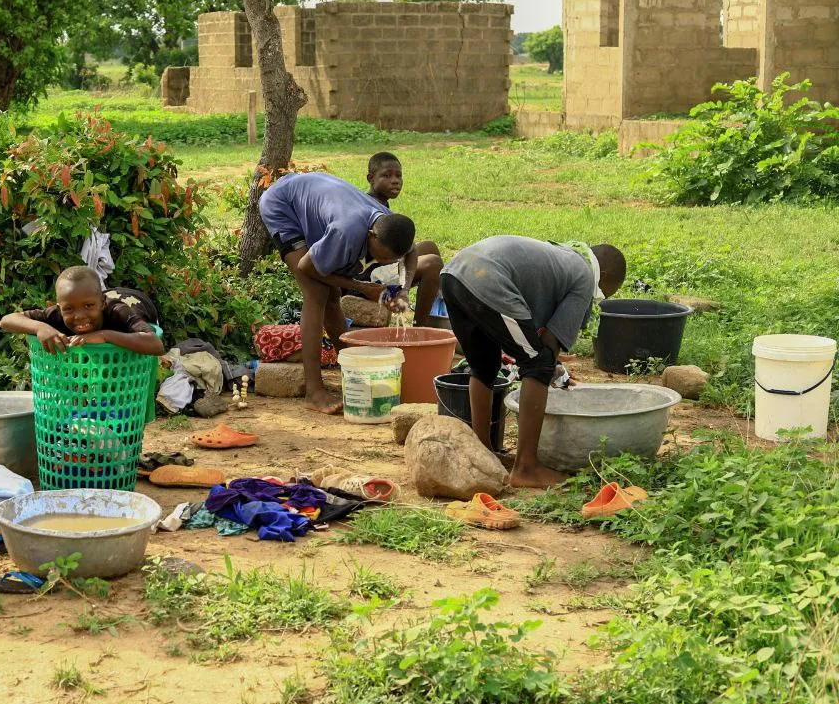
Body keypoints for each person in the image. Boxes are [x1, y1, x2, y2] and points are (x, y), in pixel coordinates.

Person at [440, 235, 627, 488]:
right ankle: (526, 468)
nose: (599, 298)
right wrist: (551, 368)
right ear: (602, 274)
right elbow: (549, 343)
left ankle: (483, 455)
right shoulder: (584, 276)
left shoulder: (561, 255)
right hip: (486, 279)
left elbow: (526, 336)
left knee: (484, 365)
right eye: (605, 291)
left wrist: (552, 365)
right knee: (539, 364)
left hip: (454, 274)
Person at [260, 171, 442, 414]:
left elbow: (411, 253)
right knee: (318, 293)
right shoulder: (347, 231)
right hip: (283, 204)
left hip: (314, 198)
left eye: (389, 259)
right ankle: (313, 392)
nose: (380, 261)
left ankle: (354, 373)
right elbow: (307, 267)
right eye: (381, 256)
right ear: (371, 235)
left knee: (332, 295)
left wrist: (404, 289)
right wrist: (364, 287)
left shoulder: (391, 224)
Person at [0, 266, 165, 356]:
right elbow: (7, 320)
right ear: (59, 308)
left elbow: (156, 345)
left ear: (102, 303)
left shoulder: (118, 311)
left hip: (138, 304)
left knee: (137, 351)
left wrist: (104, 335)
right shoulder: (58, 313)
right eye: (69, 309)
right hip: (98, 294)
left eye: (88, 307)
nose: (79, 316)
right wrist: (40, 327)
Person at [361, 150, 444, 310]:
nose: (395, 181)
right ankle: (421, 326)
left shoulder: (380, 203)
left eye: (398, 176)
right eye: (387, 176)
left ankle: (436, 305)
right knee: (432, 263)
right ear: (371, 179)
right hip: (368, 276)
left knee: (429, 246)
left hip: (381, 264)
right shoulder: (369, 208)